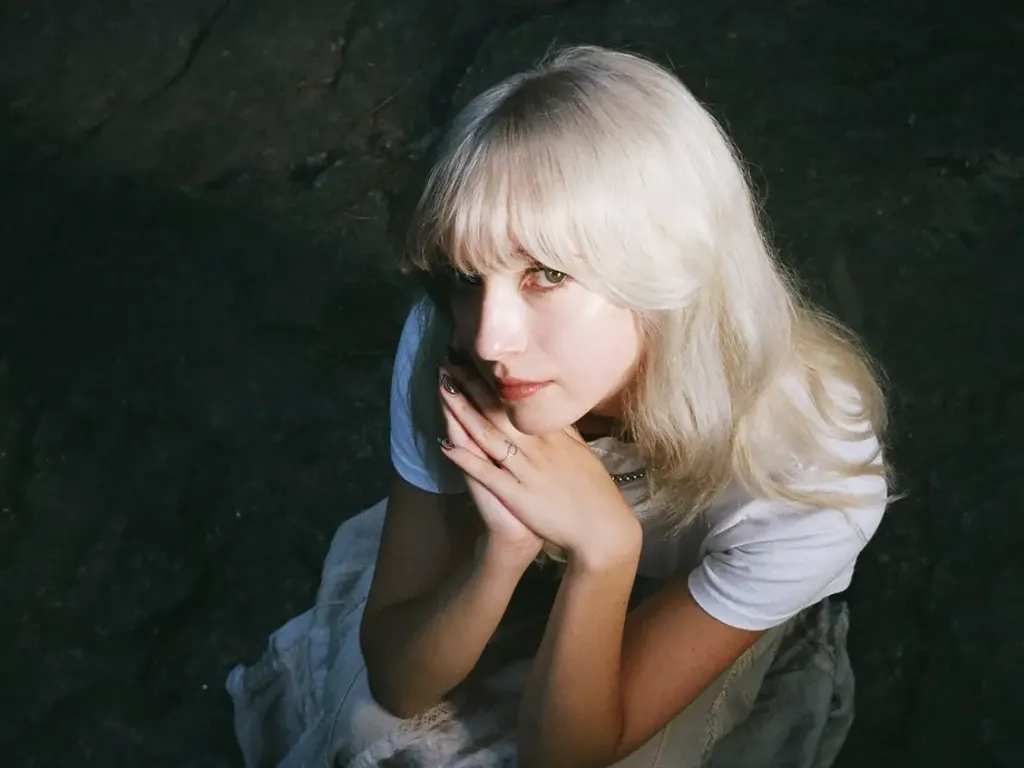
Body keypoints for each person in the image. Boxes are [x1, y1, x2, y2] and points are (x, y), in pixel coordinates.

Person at [226, 45, 893, 768]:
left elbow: (567, 757)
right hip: (516, 560)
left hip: (687, 602)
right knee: (368, 733)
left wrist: (604, 555)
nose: (490, 338)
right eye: (467, 276)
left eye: (546, 274)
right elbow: (399, 680)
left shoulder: (808, 471)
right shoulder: (448, 344)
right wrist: (502, 550)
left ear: (667, 269)